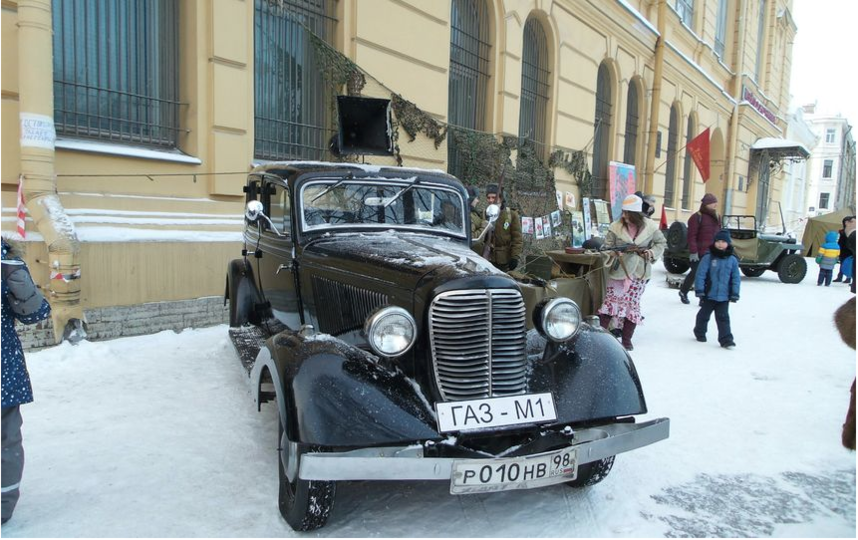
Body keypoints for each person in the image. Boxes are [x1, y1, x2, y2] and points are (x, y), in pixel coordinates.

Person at [2, 237, 51, 524]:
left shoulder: (8, 265)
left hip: (3, 369)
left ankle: (3, 506)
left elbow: (37, 314)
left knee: (6, 440)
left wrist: (20, 284)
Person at [596, 194, 666, 351]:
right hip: (620, 271)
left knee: (632, 306)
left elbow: (661, 243)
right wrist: (614, 254)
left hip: (639, 273)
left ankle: (626, 340)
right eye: (624, 212)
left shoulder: (651, 227)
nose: (624, 216)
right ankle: (601, 338)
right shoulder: (616, 227)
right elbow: (606, 247)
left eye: (628, 213)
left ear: (636, 214)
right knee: (610, 304)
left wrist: (650, 253)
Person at [693, 229, 740, 349]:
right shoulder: (708, 257)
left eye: (723, 242)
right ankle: (700, 332)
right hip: (709, 294)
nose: (720, 244)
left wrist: (735, 292)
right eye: (718, 241)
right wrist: (700, 290)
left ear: (728, 243)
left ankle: (726, 340)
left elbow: (735, 278)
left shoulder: (732, 260)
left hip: (724, 296)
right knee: (703, 316)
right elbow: (700, 274)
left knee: (723, 318)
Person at [679, 193, 721, 305]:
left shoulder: (717, 216)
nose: (715, 204)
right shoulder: (696, 217)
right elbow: (691, 236)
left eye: (715, 202)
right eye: (713, 202)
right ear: (706, 204)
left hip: (712, 251)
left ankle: (704, 298)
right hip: (699, 252)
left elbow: (719, 234)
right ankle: (683, 291)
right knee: (696, 273)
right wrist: (693, 251)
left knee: (709, 275)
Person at [483, 184, 522, 272]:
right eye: (488, 198)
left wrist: (514, 257)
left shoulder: (511, 214)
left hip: (503, 259)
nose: (490, 200)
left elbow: (517, 239)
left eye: (493, 197)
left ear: (500, 198)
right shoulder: (485, 213)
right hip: (487, 257)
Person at [834, 215, 855, 284]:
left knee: (849, 265)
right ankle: (840, 277)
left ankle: (848, 278)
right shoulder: (843, 232)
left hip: (850, 252)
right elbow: (840, 242)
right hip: (843, 250)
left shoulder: (853, 232)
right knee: (842, 264)